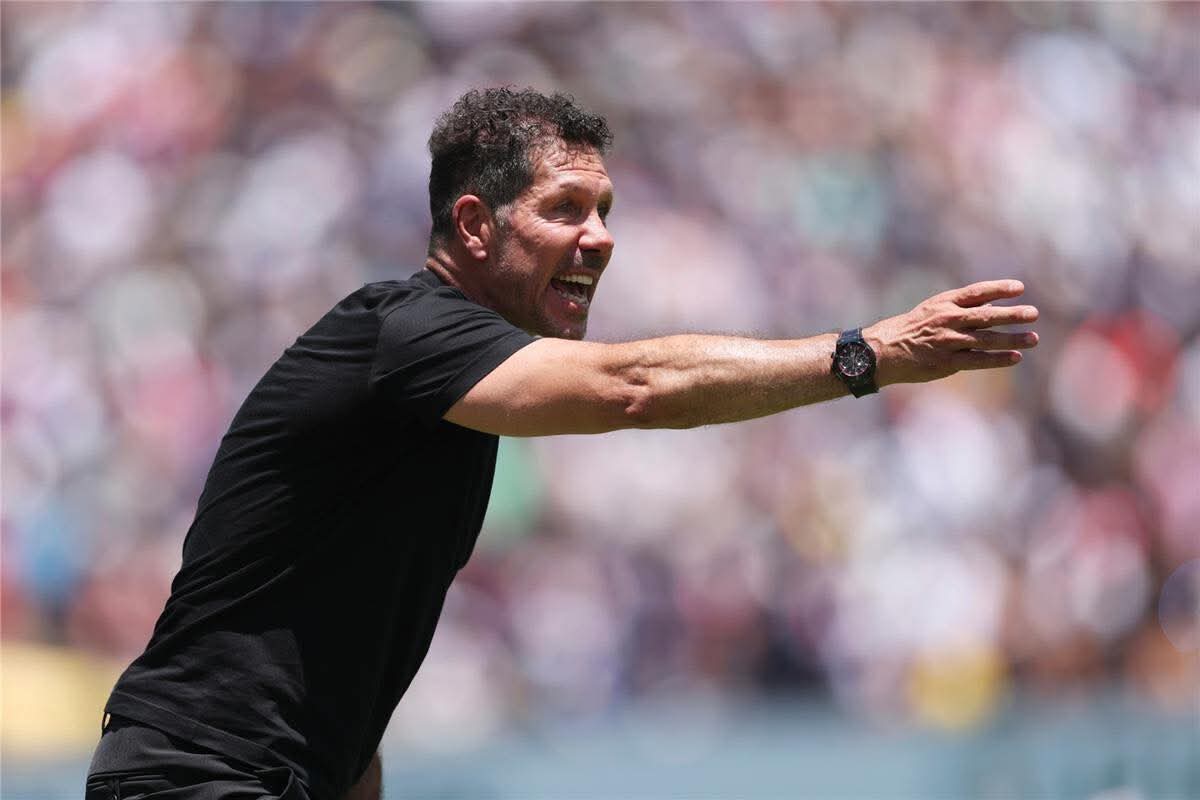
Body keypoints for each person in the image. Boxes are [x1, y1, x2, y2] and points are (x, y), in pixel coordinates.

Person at [86, 87, 1039, 800]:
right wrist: (870, 353)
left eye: (606, 210)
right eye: (566, 208)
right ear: (473, 224)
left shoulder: (445, 401)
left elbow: (335, 656)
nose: (600, 238)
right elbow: (636, 387)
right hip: (195, 774)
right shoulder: (404, 333)